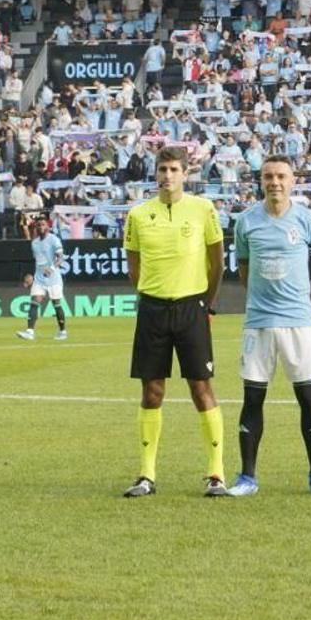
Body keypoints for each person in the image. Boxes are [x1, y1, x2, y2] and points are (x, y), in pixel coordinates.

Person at [121, 146, 229, 498]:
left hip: (191, 309)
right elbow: (133, 267)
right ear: (156, 174)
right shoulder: (138, 214)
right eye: (162, 169)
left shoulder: (203, 209)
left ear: (185, 174)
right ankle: (146, 475)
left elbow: (218, 264)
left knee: (201, 388)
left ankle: (216, 474)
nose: (168, 176)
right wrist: (151, 293)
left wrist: (204, 304)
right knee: (152, 392)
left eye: (174, 169)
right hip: (152, 310)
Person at [228, 156, 311, 497]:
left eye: (281, 176)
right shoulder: (245, 222)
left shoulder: (308, 220)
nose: (275, 182)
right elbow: (244, 270)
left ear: (292, 181)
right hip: (258, 322)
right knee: (252, 398)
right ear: (261, 181)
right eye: (269, 176)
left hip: (297, 323)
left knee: (308, 397)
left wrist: (304, 300)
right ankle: (247, 476)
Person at [17, 215, 69, 341]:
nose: (40, 227)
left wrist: (51, 268)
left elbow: (60, 258)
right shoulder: (34, 243)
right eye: (38, 225)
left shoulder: (54, 240)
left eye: (43, 225)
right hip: (39, 278)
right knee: (34, 303)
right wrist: (31, 276)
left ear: (48, 226)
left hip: (54, 278)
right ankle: (30, 332)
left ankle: (62, 331)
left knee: (56, 304)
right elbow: (38, 262)